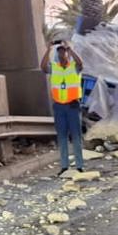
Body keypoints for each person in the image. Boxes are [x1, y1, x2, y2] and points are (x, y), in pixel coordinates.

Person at [40, 39, 85, 175]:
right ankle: (64, 166)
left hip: (72, 105)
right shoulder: (54, 67)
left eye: (63, 51)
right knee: (62, 137)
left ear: (67, 53)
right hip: (59, 106)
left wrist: (70, 48)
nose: (62, 54)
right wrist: (48, 49)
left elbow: (80, 63)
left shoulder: (73, 67)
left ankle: (79, 165)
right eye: (59, 52)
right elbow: (42, 67)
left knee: (76, 136)